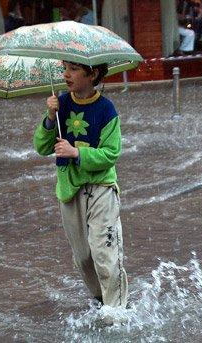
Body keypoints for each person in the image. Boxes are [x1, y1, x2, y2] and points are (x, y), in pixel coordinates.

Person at [33, 61, 128, 309]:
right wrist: (50, 117)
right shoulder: (60, 104)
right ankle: (101, 301)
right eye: (65, 68)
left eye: (74, 69)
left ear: (93, 73)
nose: (66, 74)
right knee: (84, 258)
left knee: (105, 255)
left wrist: (76, 153)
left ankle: (116, 311)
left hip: (101, 189)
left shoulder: (107, 110)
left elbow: (111, 154)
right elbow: (42, 147)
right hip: (69, 191)